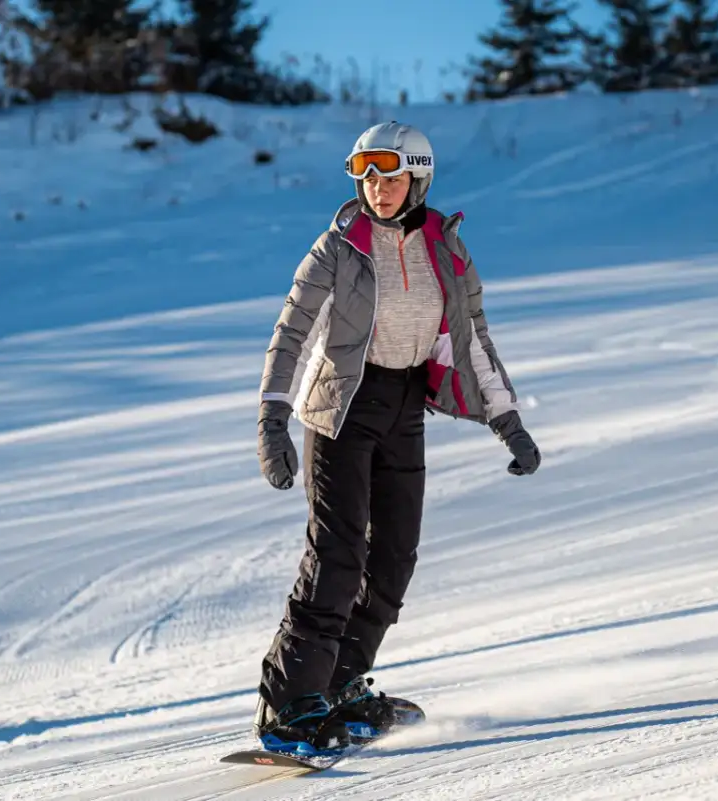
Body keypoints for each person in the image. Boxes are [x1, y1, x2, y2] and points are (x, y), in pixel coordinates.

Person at [253, 121, 542, 756]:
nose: (378, 190)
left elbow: (470, 340)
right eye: (367, 178)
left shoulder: (447, 250)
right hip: (339, 412)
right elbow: (291, 332)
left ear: (419, 178)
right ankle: (289, 702)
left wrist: (507, 422)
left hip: (406, 408)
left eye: (391, 177)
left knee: (394, 557)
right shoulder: (338, 248)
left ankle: (341, 681)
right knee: (337, 554)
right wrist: (273, 418)